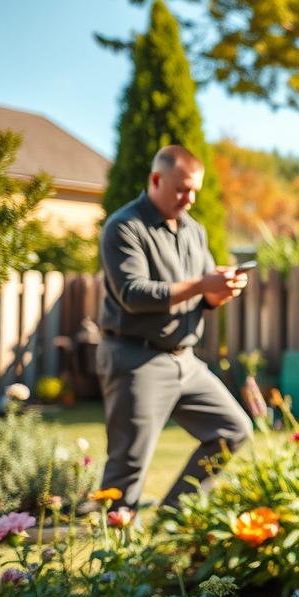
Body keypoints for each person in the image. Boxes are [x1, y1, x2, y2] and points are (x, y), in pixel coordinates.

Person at [96, 144, 251, 513]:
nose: (190, 197)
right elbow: (134, 294)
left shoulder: (194, 231)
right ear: (156, 179)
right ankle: (111, 565)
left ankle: (171, 521)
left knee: (233, 431)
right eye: (182, 189)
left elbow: (204, 294)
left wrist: (220, 292)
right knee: (127, 468)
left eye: (195, 189)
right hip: (137, 358)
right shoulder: (125, 227)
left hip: (186, 360)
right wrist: (202, 285)